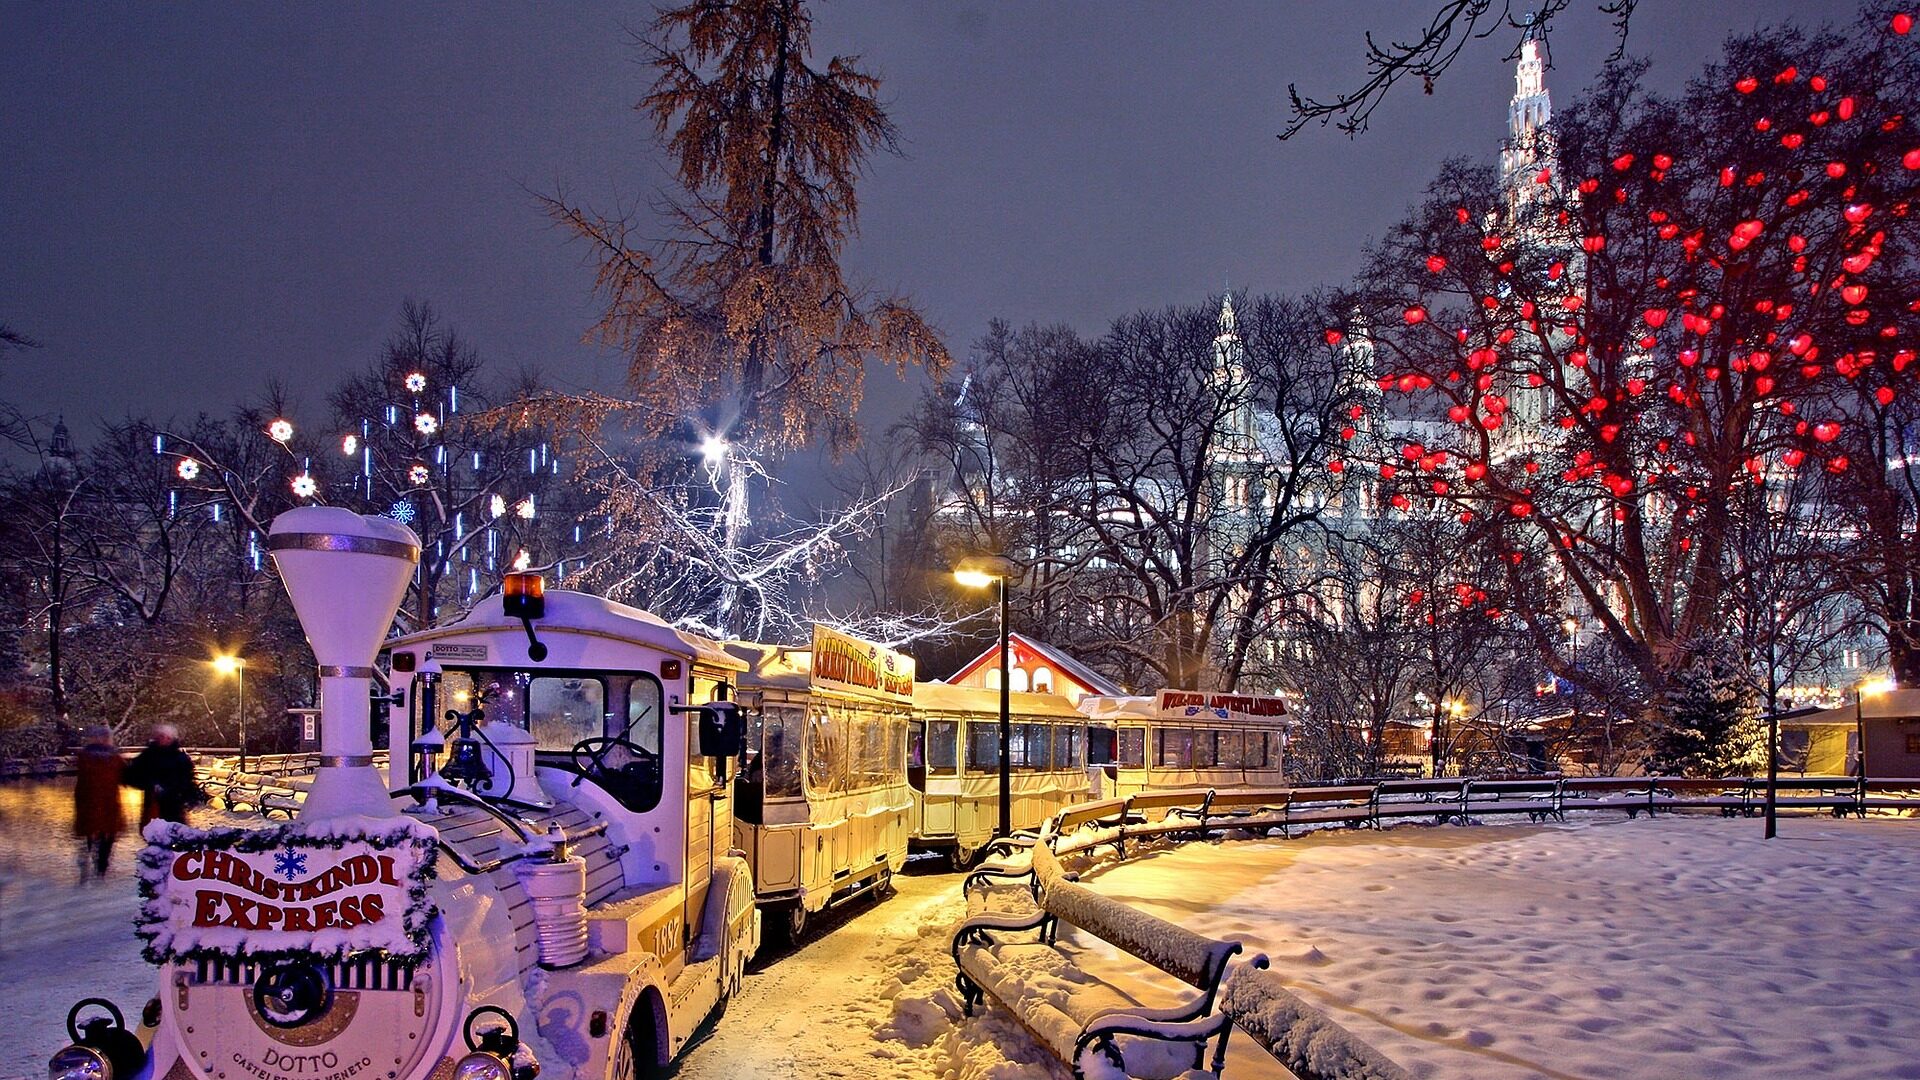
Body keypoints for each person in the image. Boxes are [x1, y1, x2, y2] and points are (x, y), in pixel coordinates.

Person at [72, 725, 126, 881]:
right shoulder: (89, 757)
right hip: (93, 802)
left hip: (105, 803)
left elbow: (125, 776)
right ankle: (96, 867)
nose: (104, 740)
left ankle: (99, 867)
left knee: (104, 835)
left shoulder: (112, 757)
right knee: (96, 834)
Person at [125, 723, 198, 826]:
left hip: (174, 805)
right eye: (161, 736)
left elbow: (188, 779)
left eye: (168, 737)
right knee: (155, 834)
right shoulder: (147, 756)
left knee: (175, 831)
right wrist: (150, 784)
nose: (164, 739)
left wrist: (190, 796)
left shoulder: (180, 758)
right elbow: (132, 776)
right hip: (153, 805)